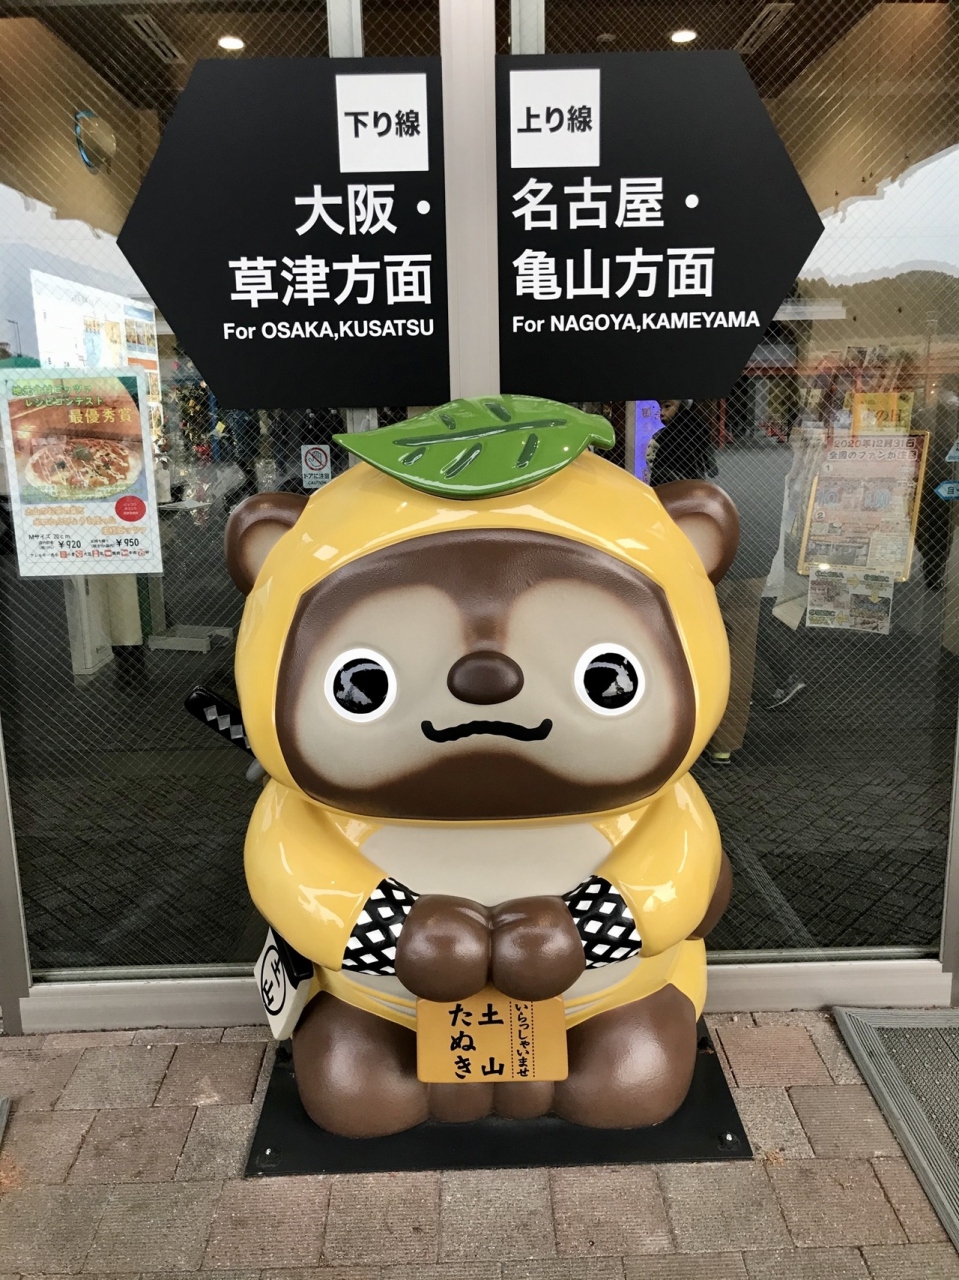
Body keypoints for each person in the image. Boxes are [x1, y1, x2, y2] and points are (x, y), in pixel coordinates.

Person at [648, 399, 717, 486]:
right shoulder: (695, 421)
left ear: (680, 406)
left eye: (667, 406)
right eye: (657, 408)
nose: (661, 412)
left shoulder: (680, 429)